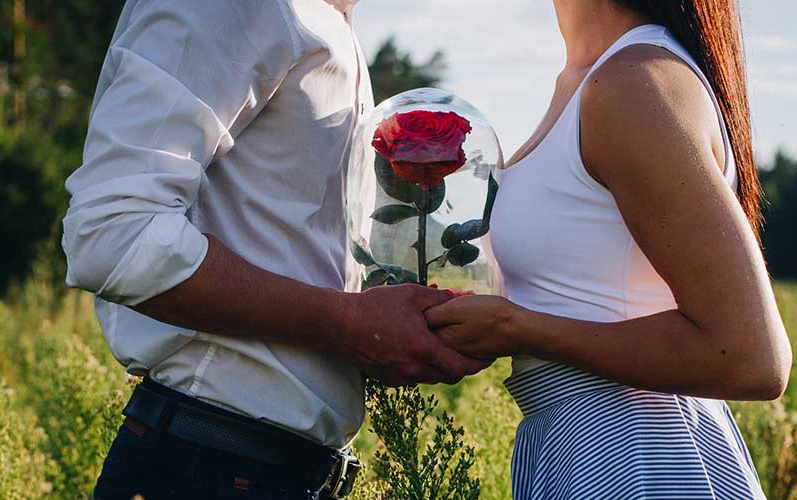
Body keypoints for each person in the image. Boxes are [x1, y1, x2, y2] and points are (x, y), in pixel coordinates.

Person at [61, 1, 488, 499]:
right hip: (207, 464)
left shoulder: (326, 22)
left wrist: (392, 327)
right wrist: (350, 324)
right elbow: (114, 234)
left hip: (265, 470)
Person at [425, 1, 792, 498]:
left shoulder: (631, 83)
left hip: (638, 454)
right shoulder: (590, 78)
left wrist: (515, 328)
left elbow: (752, 356)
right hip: (579, 445)